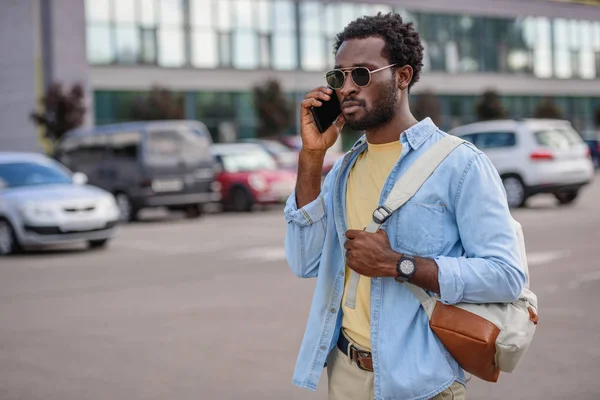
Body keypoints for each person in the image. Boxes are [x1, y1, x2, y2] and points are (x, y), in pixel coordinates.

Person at [283, 12, 525, 400]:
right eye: (338, 76)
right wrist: (311, 158)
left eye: (361, 74)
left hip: (420, 382)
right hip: (344, 374)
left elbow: (507, 276)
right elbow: (304, 262)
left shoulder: (460, 165)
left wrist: (400, 264)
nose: (346, 87)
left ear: (402, 76)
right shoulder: (343, 169)